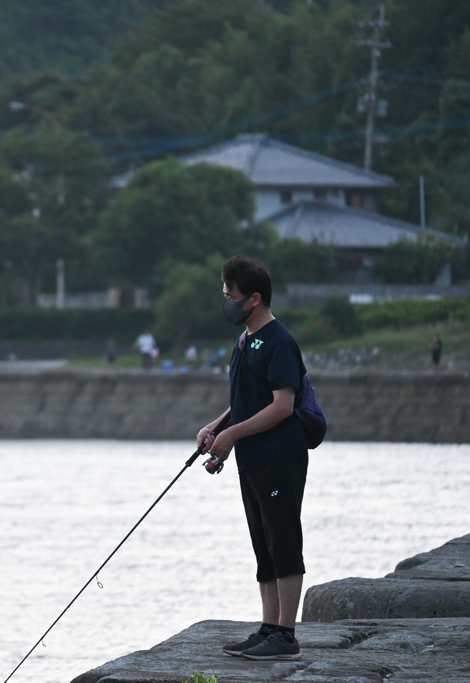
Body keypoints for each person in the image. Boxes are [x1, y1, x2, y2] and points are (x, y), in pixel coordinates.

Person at [196, 256, 310, 662]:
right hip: (253, 458)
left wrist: (231, 435)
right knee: (263, 544)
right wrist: (215, 427)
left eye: (231, 295)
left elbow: (282, 406)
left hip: (280, 454)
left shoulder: (278, 341)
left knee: (283, 541)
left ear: (255, 298)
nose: (225, 302)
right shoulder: (244, 341)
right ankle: (268, 628)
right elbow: (245, 402)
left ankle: (286, 635)